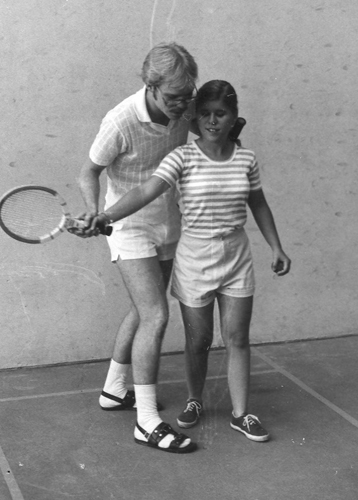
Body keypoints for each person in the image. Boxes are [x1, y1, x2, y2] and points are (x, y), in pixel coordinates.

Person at [94, 79, 291, 444]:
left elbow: (258, 203)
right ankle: (195, 400)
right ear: (195, 119)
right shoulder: (181, 157)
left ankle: (241, 413)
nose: (213, 121)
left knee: (238, 338)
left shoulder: (246, 158)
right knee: (197, 340)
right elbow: (144, 190)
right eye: (205, 115)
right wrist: (105, 216)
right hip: (194, 257)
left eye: (221, 114)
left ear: (234, 117)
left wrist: (276, 247)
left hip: (237, 258)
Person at [76, 42, 199, 454]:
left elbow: (214, 130)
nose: (183, 105)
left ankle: (114, 390)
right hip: (127, 225)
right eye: (174, 97)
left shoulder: (186, 105)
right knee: (156, 314)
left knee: (142, 309)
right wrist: (95, 212)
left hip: (168, 220)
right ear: (151, 85)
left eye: (188, 95)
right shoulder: (121, 120)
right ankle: (147, 421)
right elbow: (88, 172)